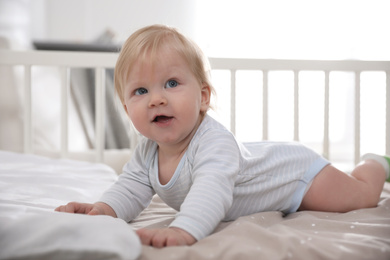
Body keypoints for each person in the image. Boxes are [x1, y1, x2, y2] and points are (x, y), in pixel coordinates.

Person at [55, 24, 389, 248]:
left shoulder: (213, 142)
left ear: (202, 97)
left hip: (296, 175)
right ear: (128, 111)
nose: (157, 98)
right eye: (141, 90)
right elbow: (129, 190)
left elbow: (210, 193)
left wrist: (183, 230)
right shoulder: (147, 153)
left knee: (361, 197)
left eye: (171, 83)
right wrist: (102, 210)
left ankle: (376, 163)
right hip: (270, 169)